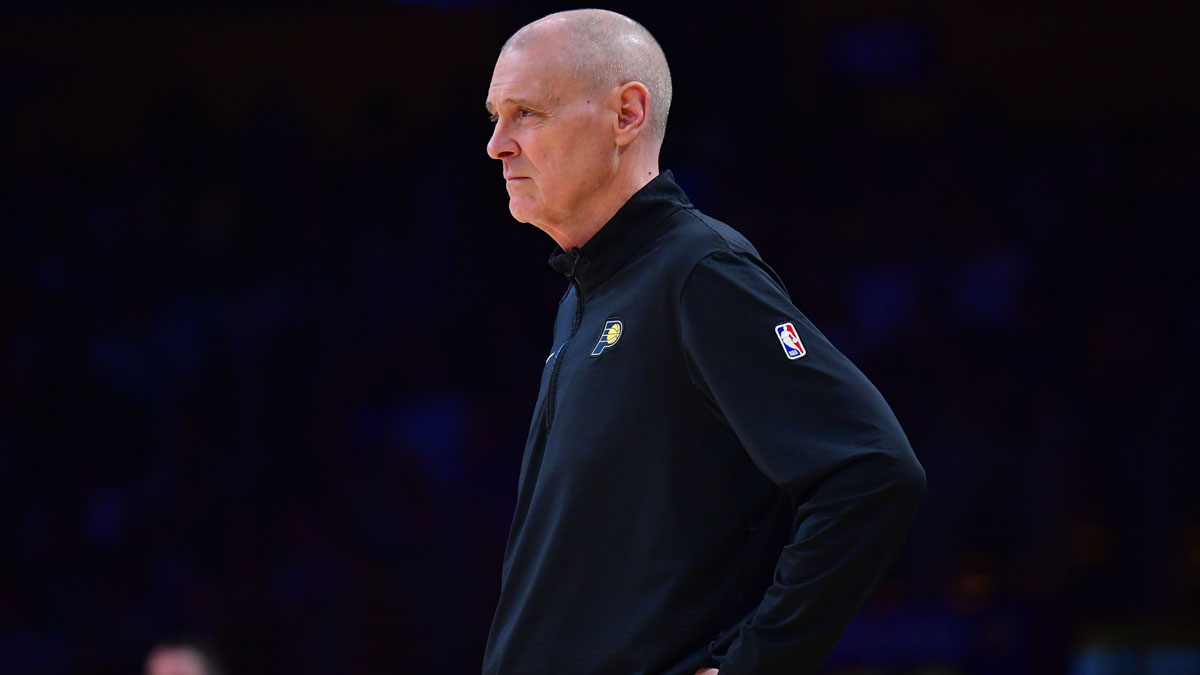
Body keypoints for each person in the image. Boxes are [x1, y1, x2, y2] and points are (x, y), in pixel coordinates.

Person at [481, 9, 926, 675]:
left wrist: (755, 665)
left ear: (627, 114)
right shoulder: (579, 300)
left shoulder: (697, 270)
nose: (497, 143)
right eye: (495, 116)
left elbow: (873, 471)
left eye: (526, 113)